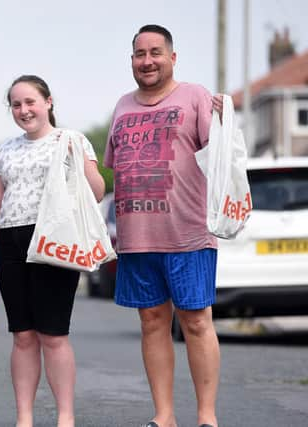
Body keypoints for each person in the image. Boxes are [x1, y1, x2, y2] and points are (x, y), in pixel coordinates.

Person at [104, 25, 223, 427]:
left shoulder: (196, 96)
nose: (147, 61)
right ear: (132, 60)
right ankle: (165, 416)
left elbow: (221, 156)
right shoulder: (121, 106)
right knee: (152, 322)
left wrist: (227, 122)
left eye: (156, 52)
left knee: (195, 320)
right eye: (139, 54)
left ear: (172, 57)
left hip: (188, 232)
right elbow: (111, 168)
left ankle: (206, 417)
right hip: (137, 237)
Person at [0, 75, 106, 427]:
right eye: (16, 104)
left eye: (30, 102)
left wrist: (78, 161)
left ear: (48, 102)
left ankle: (65, 417)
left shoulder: (71, 139)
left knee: (53, 335)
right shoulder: (5, 149)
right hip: (11, 241)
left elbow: (98, 192)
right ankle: (24, 417)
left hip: (55, 239)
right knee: (22, 335)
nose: (24, 110)